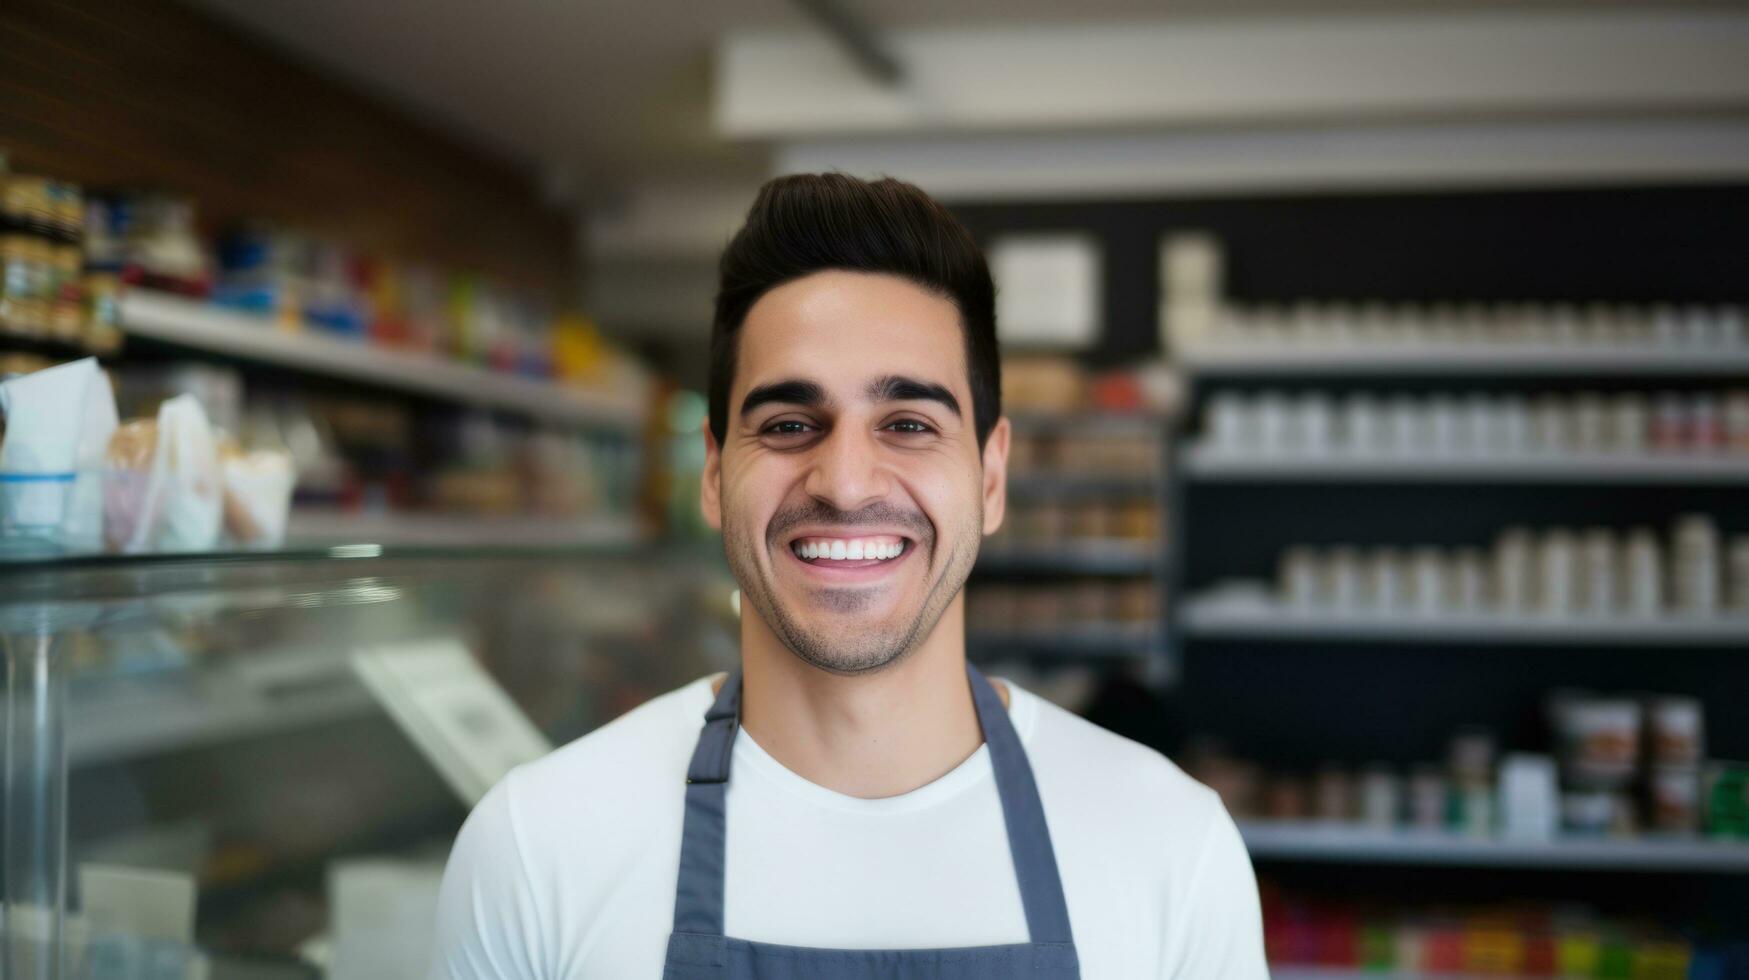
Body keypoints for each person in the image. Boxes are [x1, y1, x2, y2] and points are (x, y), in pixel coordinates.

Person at [429, 173, 1267, 978]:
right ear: (716, 476)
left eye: (907, 422)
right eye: (791, 423)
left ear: (989, 476)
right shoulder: (537, 846)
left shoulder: (1169, 849)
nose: (846, 482)